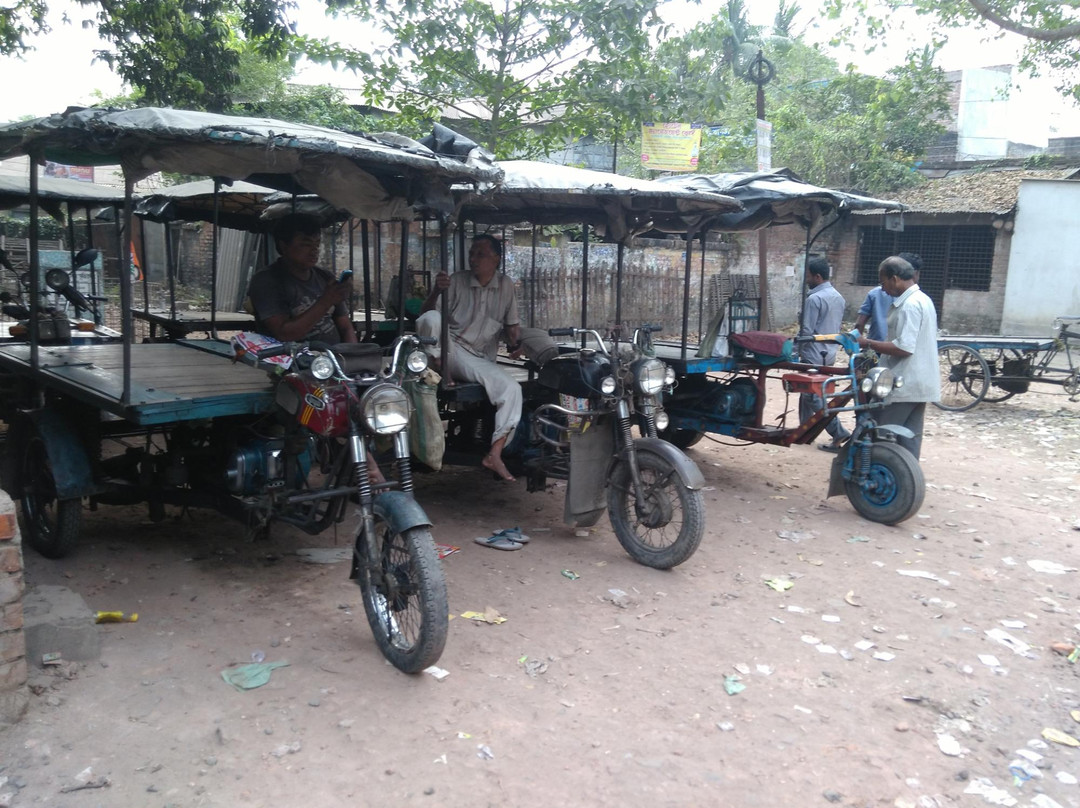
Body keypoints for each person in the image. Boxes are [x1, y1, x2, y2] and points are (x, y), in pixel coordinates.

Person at [417, 234, 522, 482]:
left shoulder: (505, 285)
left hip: (478, 357)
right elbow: (424, 316)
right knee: (431, 319)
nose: (473, 259)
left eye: (480, 254)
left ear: (496, 259)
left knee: (512, 389)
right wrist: (435, 290)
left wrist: (517, 344)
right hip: (447, 347)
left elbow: (512, 327)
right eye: (471, 254)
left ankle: (494, 453)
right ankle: (440, 365)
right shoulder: (456, 281)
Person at [856, 255, 940, 460]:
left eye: (883, 282)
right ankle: (907, 483)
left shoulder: (910, 305)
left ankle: (877, 480)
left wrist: (866, 343)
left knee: (880, 433)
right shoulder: (923, 299)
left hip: (905, 381)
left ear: (894, 279)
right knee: (909, 439)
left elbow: (904, 348)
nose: (883, 289)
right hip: (920, 382)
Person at [247, 213, 357, 344]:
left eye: (317, 244)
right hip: (293, 360)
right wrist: (326, 301)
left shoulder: (325, 277)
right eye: (306, 244)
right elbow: (283, 333)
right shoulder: (266, 281)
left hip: (334, 358)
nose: (314, 250)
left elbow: (345, 327)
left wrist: (352, 355)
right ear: (283, 246)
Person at [798, 256, 851, 452]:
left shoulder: (814, 299)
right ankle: (804, 431)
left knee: (813, 396)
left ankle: (838, 431)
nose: (807, 279)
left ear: (817, 277)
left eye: (809, 276)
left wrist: (797, 352)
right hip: (830, 351)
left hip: (813, 351)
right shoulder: (838, 296)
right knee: (806, 392)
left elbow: (806, 331)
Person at [855, 251, 922, 341]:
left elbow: (859, 323)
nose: (884, 289)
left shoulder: (874, 294)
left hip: (877, 347)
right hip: (889, 349)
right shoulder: (918, 300)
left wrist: (859, 343)